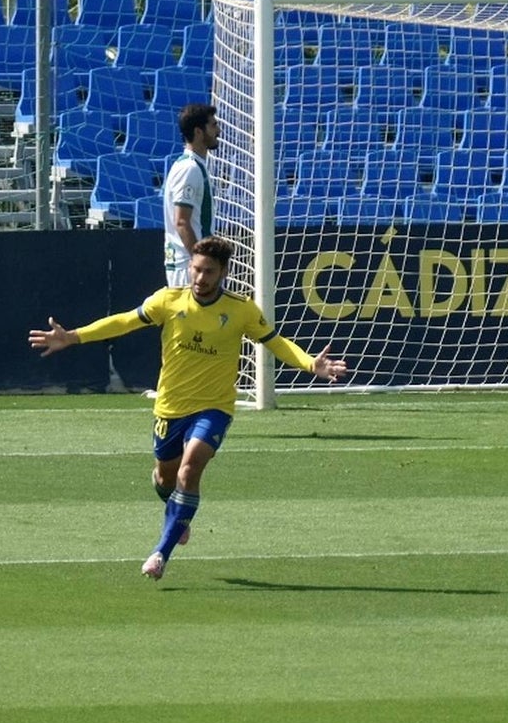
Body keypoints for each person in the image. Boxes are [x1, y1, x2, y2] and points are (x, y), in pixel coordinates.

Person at [28, 237, 349, 581]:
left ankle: (160, 554)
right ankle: (178, 513)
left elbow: (275, 343)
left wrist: (309, 364)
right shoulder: (168, 301)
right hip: (170, 408)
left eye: (209, 271)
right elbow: (124, 321)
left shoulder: (241, 310)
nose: (200, 277)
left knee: (189, 469)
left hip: (214, 408)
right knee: (166, 478)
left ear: (223, 273)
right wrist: (73, 336)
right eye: (196, 269)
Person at [163, 104, 220, 287]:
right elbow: (181, 222)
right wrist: (200, 262)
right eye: (213, 125)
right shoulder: (189, 169)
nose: (218, 130)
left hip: (190, 266)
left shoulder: (195, 166)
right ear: (198, 132)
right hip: (187, 268)